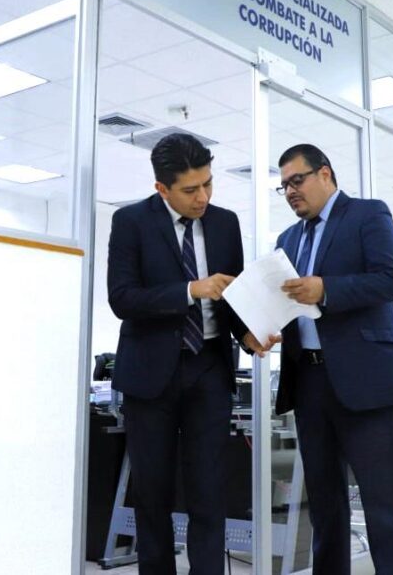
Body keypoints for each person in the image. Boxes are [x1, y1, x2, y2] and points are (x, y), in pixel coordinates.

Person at [107, 132, 278, 575]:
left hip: (209, 370)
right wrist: (189, 290)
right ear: (161, 188)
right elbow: (122, 298)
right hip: (150, 375)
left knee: (209, 489)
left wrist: (248, 335)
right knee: (153, 492)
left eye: (208, 184)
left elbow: (232, 297)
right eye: (190, 189)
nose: (202, 197)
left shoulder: (225, 223)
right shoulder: (130, 222)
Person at [272, 143, 393, 575]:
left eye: (297, 180)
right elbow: (289, 305)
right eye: (284, 186)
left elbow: (390, 280)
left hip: (366, 380)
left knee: (382, 501)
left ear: (325, 174)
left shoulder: (367, 214)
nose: (290, 191)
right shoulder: (287, 240)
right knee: (323, 503)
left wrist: (327, 289)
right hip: (309, 381)